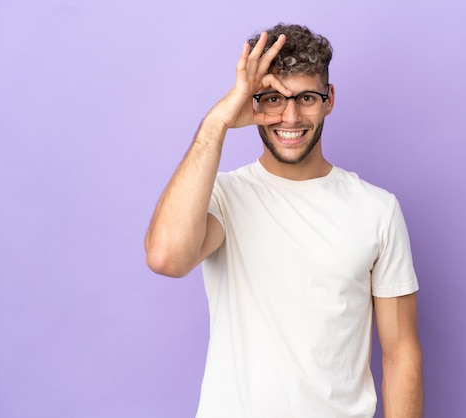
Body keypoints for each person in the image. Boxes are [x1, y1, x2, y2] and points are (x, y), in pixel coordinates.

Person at [145, 23, 423, 418]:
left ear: (329, 100)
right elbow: (166, 258)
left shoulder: (377, 209)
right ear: (253, 101)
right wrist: (217, 123)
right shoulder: (223, 198)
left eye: (306, 97)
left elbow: (401, 354)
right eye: (273, 98)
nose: (289, 116)